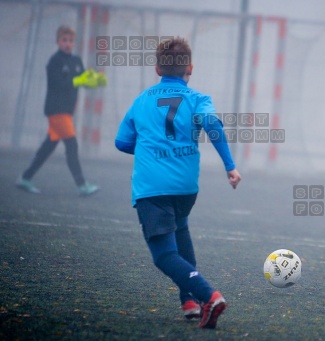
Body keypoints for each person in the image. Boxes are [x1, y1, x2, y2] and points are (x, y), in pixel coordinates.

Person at [115, 37, 241, 328]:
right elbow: (212, 126)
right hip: (186, 188)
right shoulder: (199, 99)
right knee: (180, 229)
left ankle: (209, 296)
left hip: (152, 188)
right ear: (191, 69)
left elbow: (122, 142)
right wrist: (230, 167)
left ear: (157, 68)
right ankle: (189, 302)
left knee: (164, 255)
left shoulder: (142, 100)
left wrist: (150, 148)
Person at [16, 25, 104, 196]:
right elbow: (58, 83)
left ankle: (25, 178)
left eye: (71, 41)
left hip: (66, 112)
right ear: (58, 42)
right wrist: (78, 80)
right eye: (64, 40)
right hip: (56, 111)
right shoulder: (54, 61)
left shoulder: (76, 61)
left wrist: (95, 80)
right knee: (72, 145)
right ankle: (82, 184)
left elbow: (83, 80)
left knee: (48, 146)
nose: (68, 44)